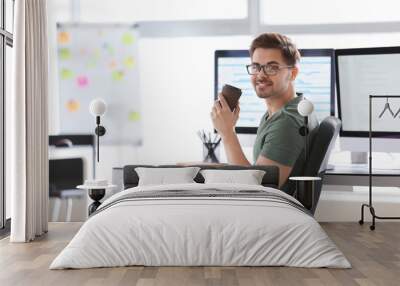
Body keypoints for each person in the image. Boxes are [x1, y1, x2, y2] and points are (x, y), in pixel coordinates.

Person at [210, 33, 319, 189]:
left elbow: (255, 188)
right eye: (256, 67)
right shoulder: (286, 110)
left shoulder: (287, 122)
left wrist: (227, 133)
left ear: (293, 73)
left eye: (271, 67)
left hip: (266, 208)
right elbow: (256, 174)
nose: (260, 75)